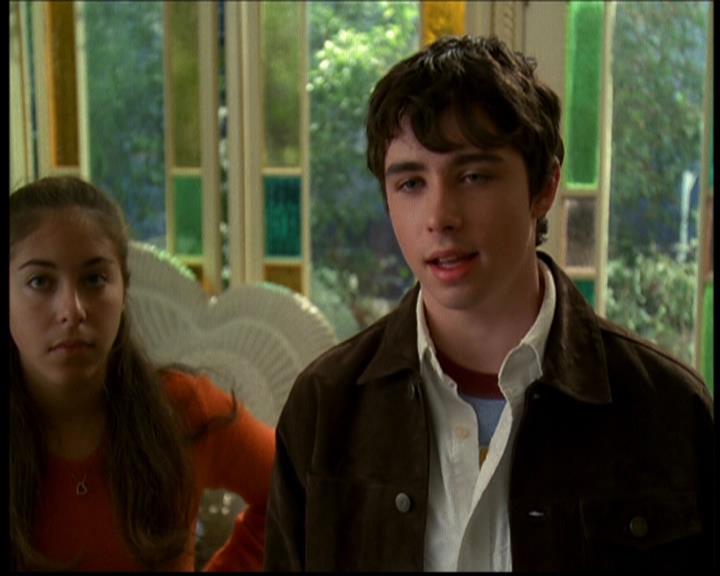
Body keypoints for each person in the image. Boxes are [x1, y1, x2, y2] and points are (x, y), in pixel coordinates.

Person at [264, 35, 714, 571]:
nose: (440, 217)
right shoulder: (325, 407)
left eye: (473, 176)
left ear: (544, 187)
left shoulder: (666, 410)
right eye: (411, 183)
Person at [9, 176, 275, 571]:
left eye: (94, 279)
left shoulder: (181, 410)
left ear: (124, 288)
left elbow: (299, 490)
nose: (72, 310)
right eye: (40, 282)